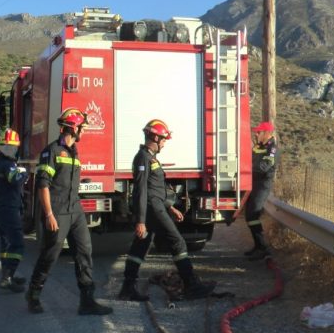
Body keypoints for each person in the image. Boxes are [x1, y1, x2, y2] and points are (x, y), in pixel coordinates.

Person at [118, 119, 216, 301]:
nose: (164, 142)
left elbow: (156, 187)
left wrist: (170, 207)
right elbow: (140, 190)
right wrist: (140, 220)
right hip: (151, 209)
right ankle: (191, 285)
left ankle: (127, 288)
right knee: (177, 242)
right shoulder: (143, 158)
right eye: (163, 139)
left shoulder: (151, 158)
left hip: (156, 207)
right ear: (155, 137)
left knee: (140, 246)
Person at [26, 108, 113, 316]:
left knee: (84, 252)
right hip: (57, 211)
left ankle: (87, 301)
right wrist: (48, 215)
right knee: (50, 254)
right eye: (82, 127)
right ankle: (34, 294)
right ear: (73, 127)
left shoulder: (74, 151)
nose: (84, 131)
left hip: (75, 209)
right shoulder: (52, 151)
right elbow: (43, 185)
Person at [0, 129, 28, 292]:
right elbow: (15, 181)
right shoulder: (8, 164)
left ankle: (7, 275)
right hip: (8, 209)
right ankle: (7, 278)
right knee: (17, 244)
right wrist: (25, 174)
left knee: (6, 244)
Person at [243, 121, 279, 261]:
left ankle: (263, 248)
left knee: (252, 215)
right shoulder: (258, 146)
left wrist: (248, 167)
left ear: (267, 133)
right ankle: (258, 247)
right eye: (256, 132)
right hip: (253, 183)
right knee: (249, 216)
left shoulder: (273, 149)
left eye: (259, 132)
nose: (256, 134)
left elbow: (263, 166)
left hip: (262, 185)